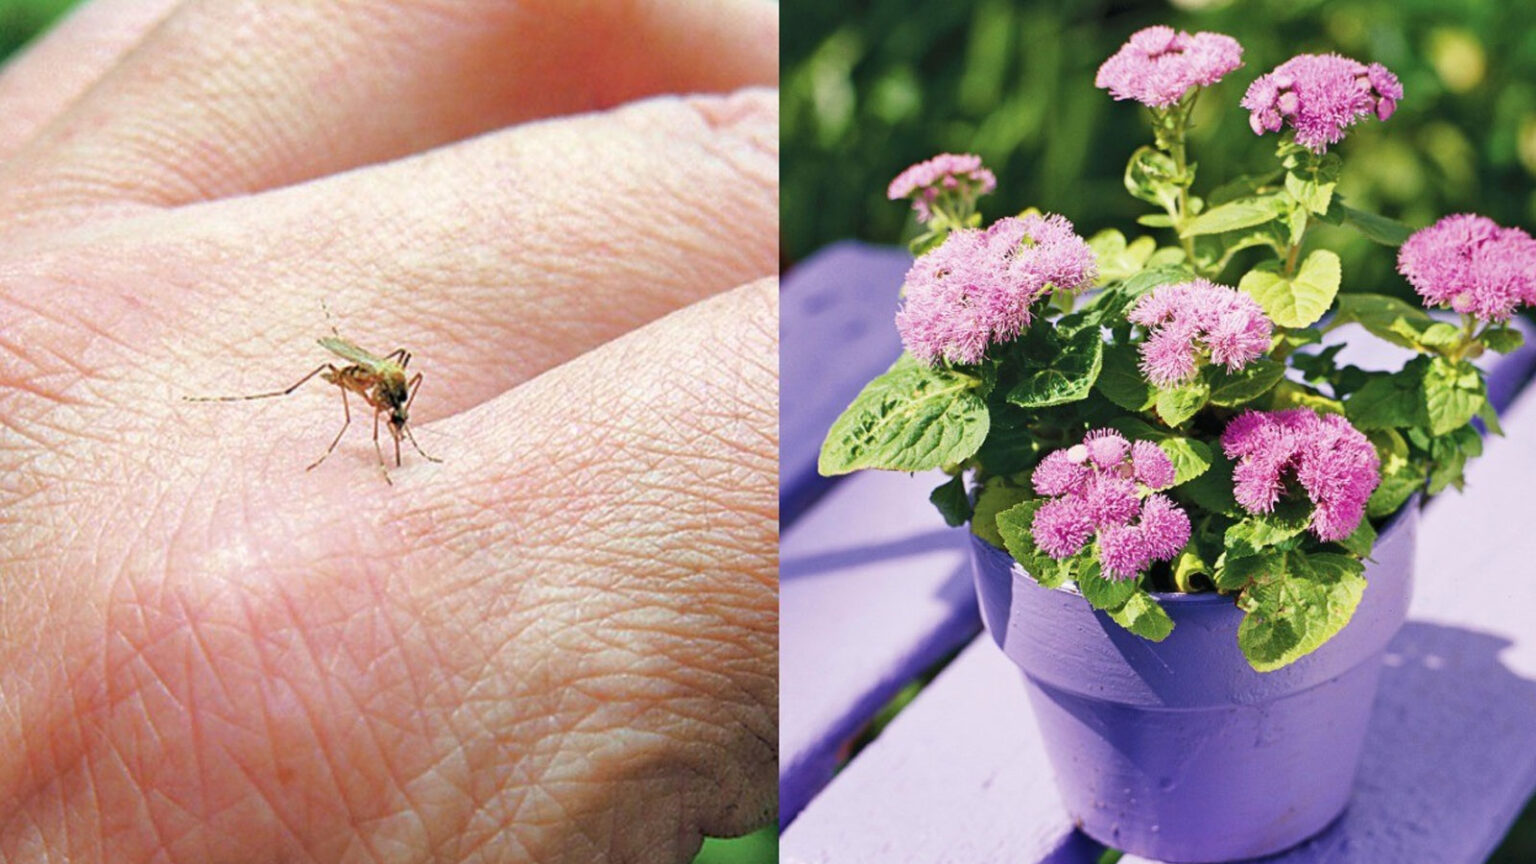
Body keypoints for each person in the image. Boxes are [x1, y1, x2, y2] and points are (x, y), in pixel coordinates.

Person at [0, 1, 779, 860]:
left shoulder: (399, 391)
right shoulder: (366, 383)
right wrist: (362, 420)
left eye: (396, 409)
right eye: (395, 409)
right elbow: (361, 373)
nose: (394, 413)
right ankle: (282, 409)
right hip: (348, 365)